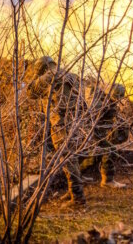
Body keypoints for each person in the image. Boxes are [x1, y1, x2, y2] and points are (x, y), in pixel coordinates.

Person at [25, 56, 87, 207]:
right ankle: (73, 191)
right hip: (74, 122)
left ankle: (78, 198)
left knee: (66, 156)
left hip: (61, 123)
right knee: (70, 156)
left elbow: (30, 93)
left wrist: (34, 76)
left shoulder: (49, 76)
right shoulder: (70, 75)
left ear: (42, 67)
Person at [80, 80, 129, 188]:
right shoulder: (99, 104)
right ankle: (107, 181)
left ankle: (77, 175)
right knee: (110, 150)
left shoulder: (105, 100)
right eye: (117, 97)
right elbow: (90, 121)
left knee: (93, 157)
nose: (117, 101)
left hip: (95, 134)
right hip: (92, 134)